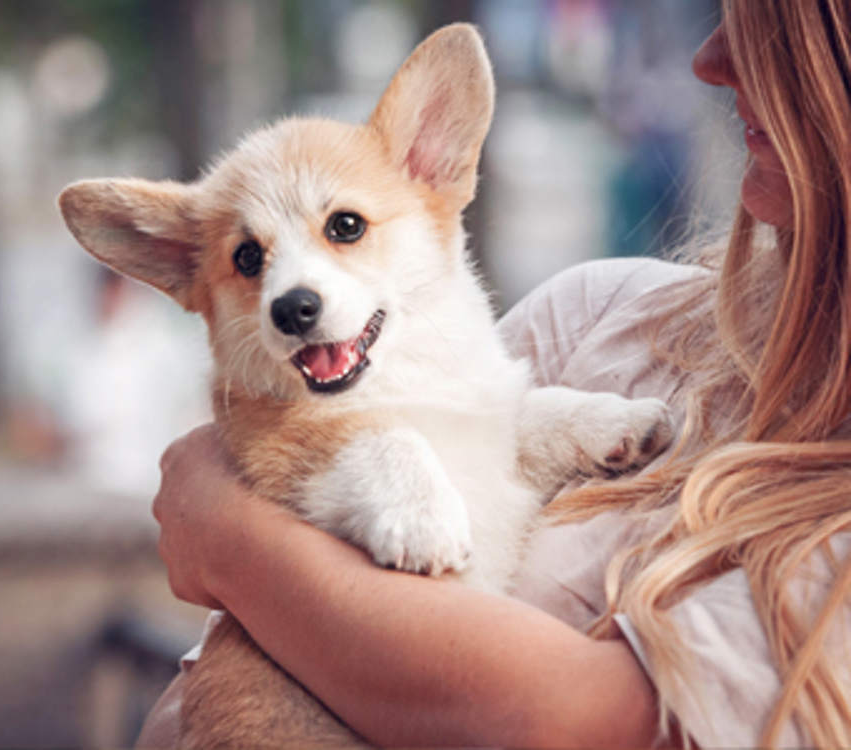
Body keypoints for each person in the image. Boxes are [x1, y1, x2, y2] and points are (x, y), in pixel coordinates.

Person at [139, 0, 851, 746]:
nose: (710, 59)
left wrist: (230, 538)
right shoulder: (597, 316)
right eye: (250, 260)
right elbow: (188, 707)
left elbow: (579, 724)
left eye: (775, 28)